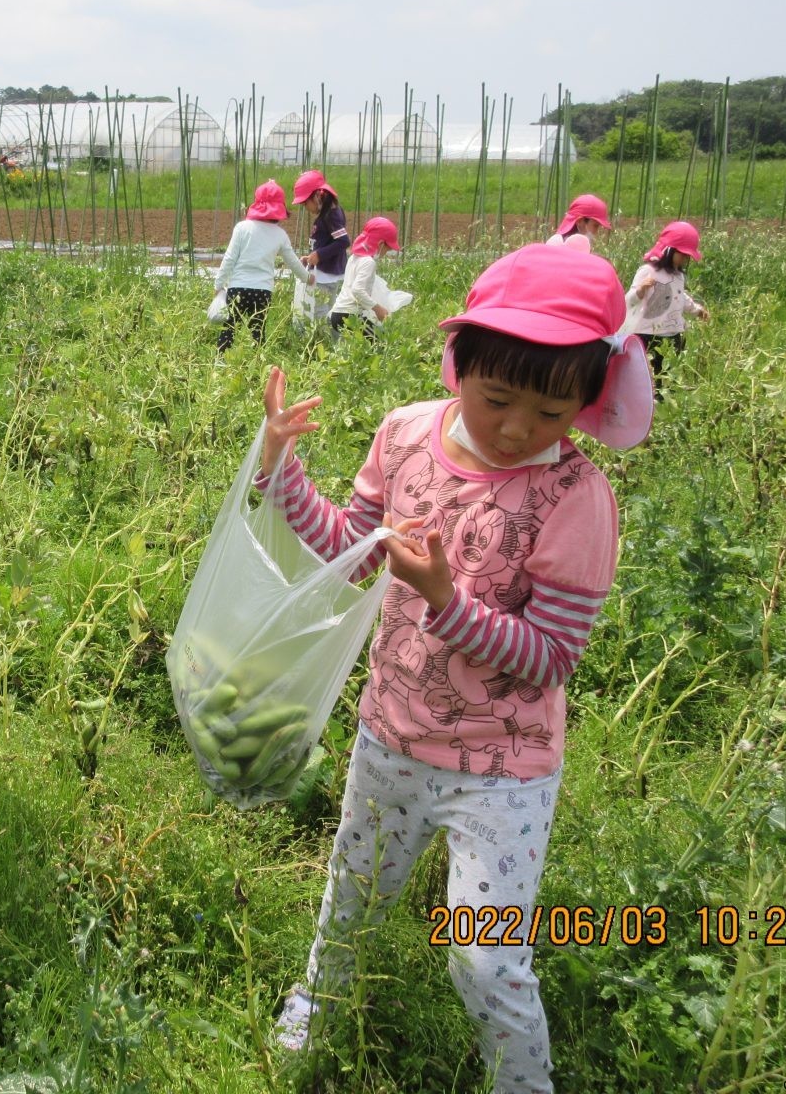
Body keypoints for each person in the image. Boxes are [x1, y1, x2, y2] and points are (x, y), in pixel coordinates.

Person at [260, 243, 653, 1093]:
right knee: (352, 901)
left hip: (501, 770)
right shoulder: (405, 434)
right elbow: (353, 553)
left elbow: (549, 660)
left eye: (551, 413)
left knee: (484, 957)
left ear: (587, 403)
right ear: (459, 363)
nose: (517, 428)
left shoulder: (577, 499)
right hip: (392, 737)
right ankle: (318, 1005)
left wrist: (445, 599)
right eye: (497, 398)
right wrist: (280, 467)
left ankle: (522, 1081)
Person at [215, 180, 313, 352]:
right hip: (262, 291)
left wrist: (218, 284)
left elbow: (229, 258)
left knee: (228, 329)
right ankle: (259, 366)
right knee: (258, 332)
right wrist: (307, 278)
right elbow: (293, 262)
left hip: (238, 288)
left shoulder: (242, 228)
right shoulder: (280, 235)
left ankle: (220, 362)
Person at [621, 220, 710, 382]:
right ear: (669, 250)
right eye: (682, 254)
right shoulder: (648, 271)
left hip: (673, 335)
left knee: (669, 381)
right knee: (648, 380)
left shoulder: (678, 276)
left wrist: (696, 310)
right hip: (649, 335)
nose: (684, 259)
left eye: (687, 256)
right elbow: (629, 300)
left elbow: (680, 297)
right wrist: (641, 290)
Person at [328, 216, 410, 339]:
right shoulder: (368, 262)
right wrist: (378, 309)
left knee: (364, 346)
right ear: (381, 244)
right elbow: (357, 290)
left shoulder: (354, 258)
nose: (386, 253)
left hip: (338, 314)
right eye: (387, 248)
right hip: (348, 316)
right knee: (381, 341)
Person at [293, 169, 350, 331]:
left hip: (325, 277)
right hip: (326, 272)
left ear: (318, 196)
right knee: (329, 310)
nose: (305, 207)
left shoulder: (331, 215)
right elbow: (329, 241)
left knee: (320, 313)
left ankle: (323, 344)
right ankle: (331, 343)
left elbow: (344, 241)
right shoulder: (329, 213)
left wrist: (319, 254)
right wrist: (312, 256)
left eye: (305, 203)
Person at [545, 193, 610, 253]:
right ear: (579, 221)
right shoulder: (555, 245)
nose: (596, 232)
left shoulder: (582, 247)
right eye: (595, 226)